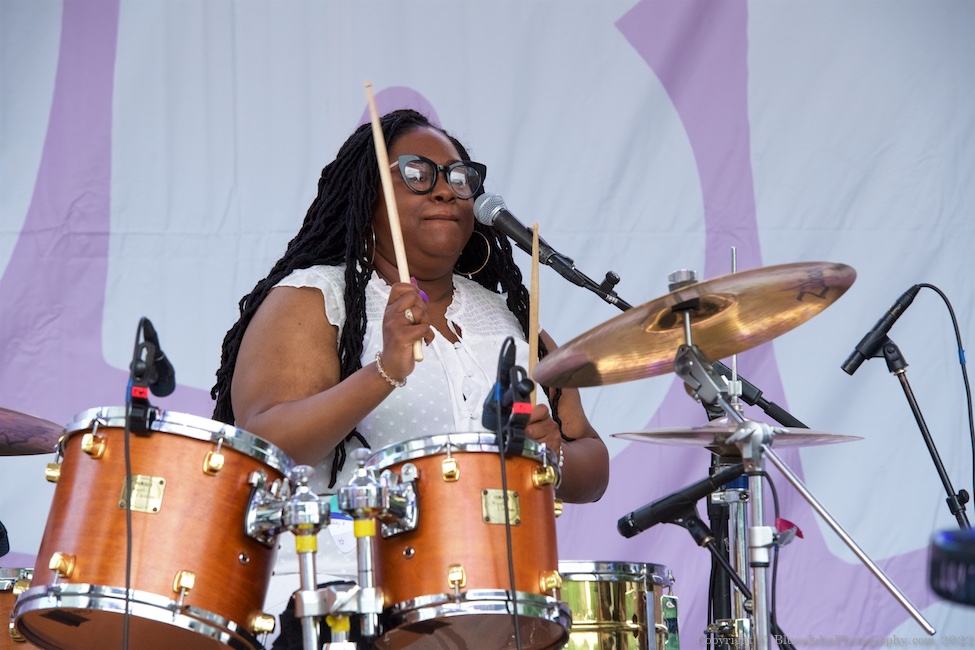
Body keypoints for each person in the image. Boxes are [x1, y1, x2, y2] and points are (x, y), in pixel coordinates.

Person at [210, 108, 609, 648]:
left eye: (460, 178)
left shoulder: (507, 316)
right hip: (345, 602)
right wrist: (382, 371)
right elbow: (262, 445)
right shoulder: (316, 299)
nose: (445, 191)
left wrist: (550, 454)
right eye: (418, 174)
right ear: (367, 195)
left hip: (490, 604)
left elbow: (592, 463)